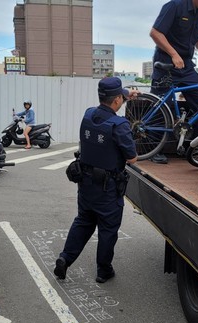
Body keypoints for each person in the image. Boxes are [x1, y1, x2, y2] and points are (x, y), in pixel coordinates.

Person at [54, 77, 139, 284]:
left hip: (85, 183)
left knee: (83, 221)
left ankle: (65, 258)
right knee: (108, 230)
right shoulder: (120, 125)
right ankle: (103, 270)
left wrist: (126, 95)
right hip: (108, 188)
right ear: (117, 99)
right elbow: (132, 158)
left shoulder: (88, 114)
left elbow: (109, 104)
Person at [149, 0, 198, 163]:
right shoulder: (174, 6)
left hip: (186, 66)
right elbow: (155, 33)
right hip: (166, 62)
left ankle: (191, 146)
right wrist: (173, 54)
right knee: (162, 106)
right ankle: (153, 149)